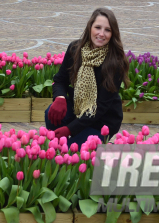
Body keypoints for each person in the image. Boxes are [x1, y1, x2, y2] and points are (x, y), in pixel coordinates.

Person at [45, 8, 129, 145]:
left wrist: (70, 129)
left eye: (107, 30)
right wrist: (59, 98)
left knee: (77, 151)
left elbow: (100, 107)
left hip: (102, 120)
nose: (101, 34)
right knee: (52, 113)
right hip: (77, 107)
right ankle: (59, 145)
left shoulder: (115, 62)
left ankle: (88, 143)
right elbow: (60, 79)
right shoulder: (75, 49)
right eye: (98, 27)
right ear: (90, 27)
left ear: (113, 33)